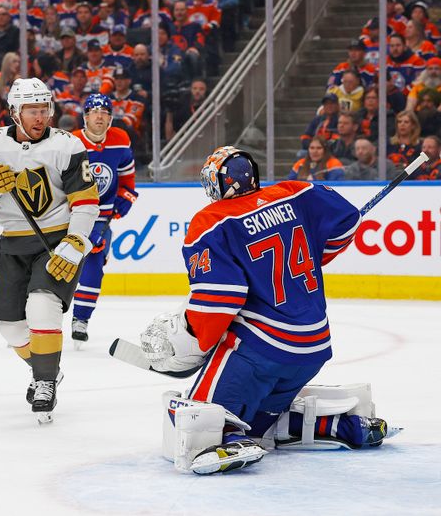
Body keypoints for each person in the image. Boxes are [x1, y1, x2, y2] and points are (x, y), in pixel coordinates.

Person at [137, 146, 398, 475]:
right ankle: (343, 428)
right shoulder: (294, 191)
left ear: (223, 183)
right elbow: (346, 222)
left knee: (191, 420)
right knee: (260, 425)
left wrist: (194, 341)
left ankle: (228, 438)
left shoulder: (211, 221)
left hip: (261, 351)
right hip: (313, 349)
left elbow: (220, 300)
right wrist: (313, 257)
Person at [0, 78, 99, 423]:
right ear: (14, 112)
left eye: (44, 110)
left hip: (55, 241)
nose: (40, 117)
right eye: (32, 110)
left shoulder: (66, 145)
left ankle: (44, 381)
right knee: (11, 328)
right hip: (13, 243)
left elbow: (86, 201)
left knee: (42, 306)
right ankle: (47, 369)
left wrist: (76, 241)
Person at [69, 94, 136, 347]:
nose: (99, 116)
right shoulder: (72, 142)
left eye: (105, 112)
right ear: (85, 117)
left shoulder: (120, 141)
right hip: (70, 214)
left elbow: (127, 179)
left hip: (101, 217)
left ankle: (81, 320)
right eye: (94, 112)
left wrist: (126, 199)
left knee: (94, 263)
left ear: (110, 118)